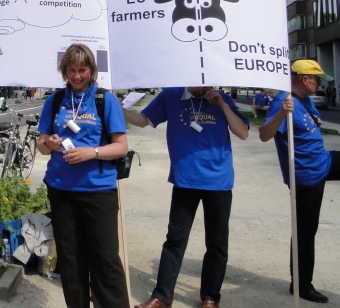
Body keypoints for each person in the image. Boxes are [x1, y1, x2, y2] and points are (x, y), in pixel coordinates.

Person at [123, 86, 249, 308]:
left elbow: (243, 132)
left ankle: (210, 298)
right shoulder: (170, 96)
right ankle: (162, 296)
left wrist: (222, 104)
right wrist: (119, 109)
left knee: (217, 243)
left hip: (218, 181)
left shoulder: (222, 99)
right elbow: (142, 121)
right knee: (175, 240)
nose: (203, 86)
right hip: (186, 180)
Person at [35, 44, 130, 308]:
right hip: (62, 190)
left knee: (105, 261)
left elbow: (120, 146)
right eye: (72, 70)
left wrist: (92, 152)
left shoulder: (104, 100)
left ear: (92, 70)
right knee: (71, 261)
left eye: (83, 70)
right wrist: (50, 144)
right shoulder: (54, 101)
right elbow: (41, 145)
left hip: (98, 192)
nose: (77, 76)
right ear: (64, 71)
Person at [259, 60, 340, 304]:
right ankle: (302, 284)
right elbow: (264, 135)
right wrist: (283, 112)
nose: (320, 84)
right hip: (306, 176)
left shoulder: (304, 100)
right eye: (318, 79)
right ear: (305, 79)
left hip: (323, 161)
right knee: (306, 231)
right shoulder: (283, 102)